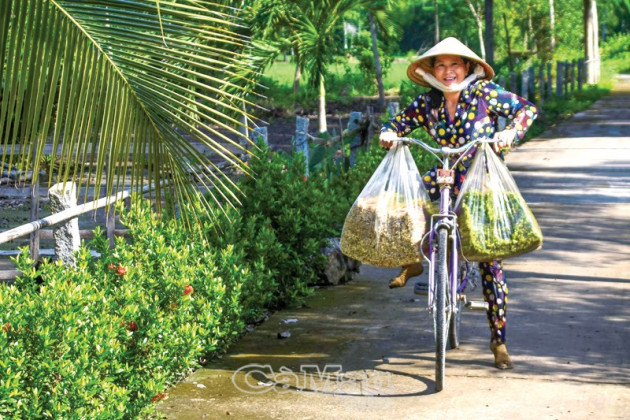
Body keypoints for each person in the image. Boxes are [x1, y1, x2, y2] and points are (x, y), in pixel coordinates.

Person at [379, 37, 538, 370]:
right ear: (432, 70)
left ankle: (499, 341)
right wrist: (389, 133)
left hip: (480, 181)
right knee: (401, 200)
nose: (448, 71)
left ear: (467, 67)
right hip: (445, 174)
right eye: (441, 65)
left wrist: (509, 133)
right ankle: (413, 259)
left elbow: (527, 110)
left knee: (489, 261)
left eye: (455, 64)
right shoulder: (427, 104)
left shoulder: (484, 95)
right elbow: (397, 124)